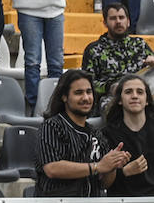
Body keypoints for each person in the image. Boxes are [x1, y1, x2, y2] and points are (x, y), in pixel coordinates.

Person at [34, 69, 127, 197]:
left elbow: (105, 184)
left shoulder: (97, 134)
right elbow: (52, 168)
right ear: (64, 97)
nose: (86, 98)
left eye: (89, 92)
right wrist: (97, 167)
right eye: (78, 93)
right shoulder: (51, 126)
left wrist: (111, 166)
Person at [102, 73, 154, 196]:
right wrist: (124, 171)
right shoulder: (107, 134)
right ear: (120, 100)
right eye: (128, 92)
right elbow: (103, 183)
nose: (134, 96)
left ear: (147, 100)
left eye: (140, 92)